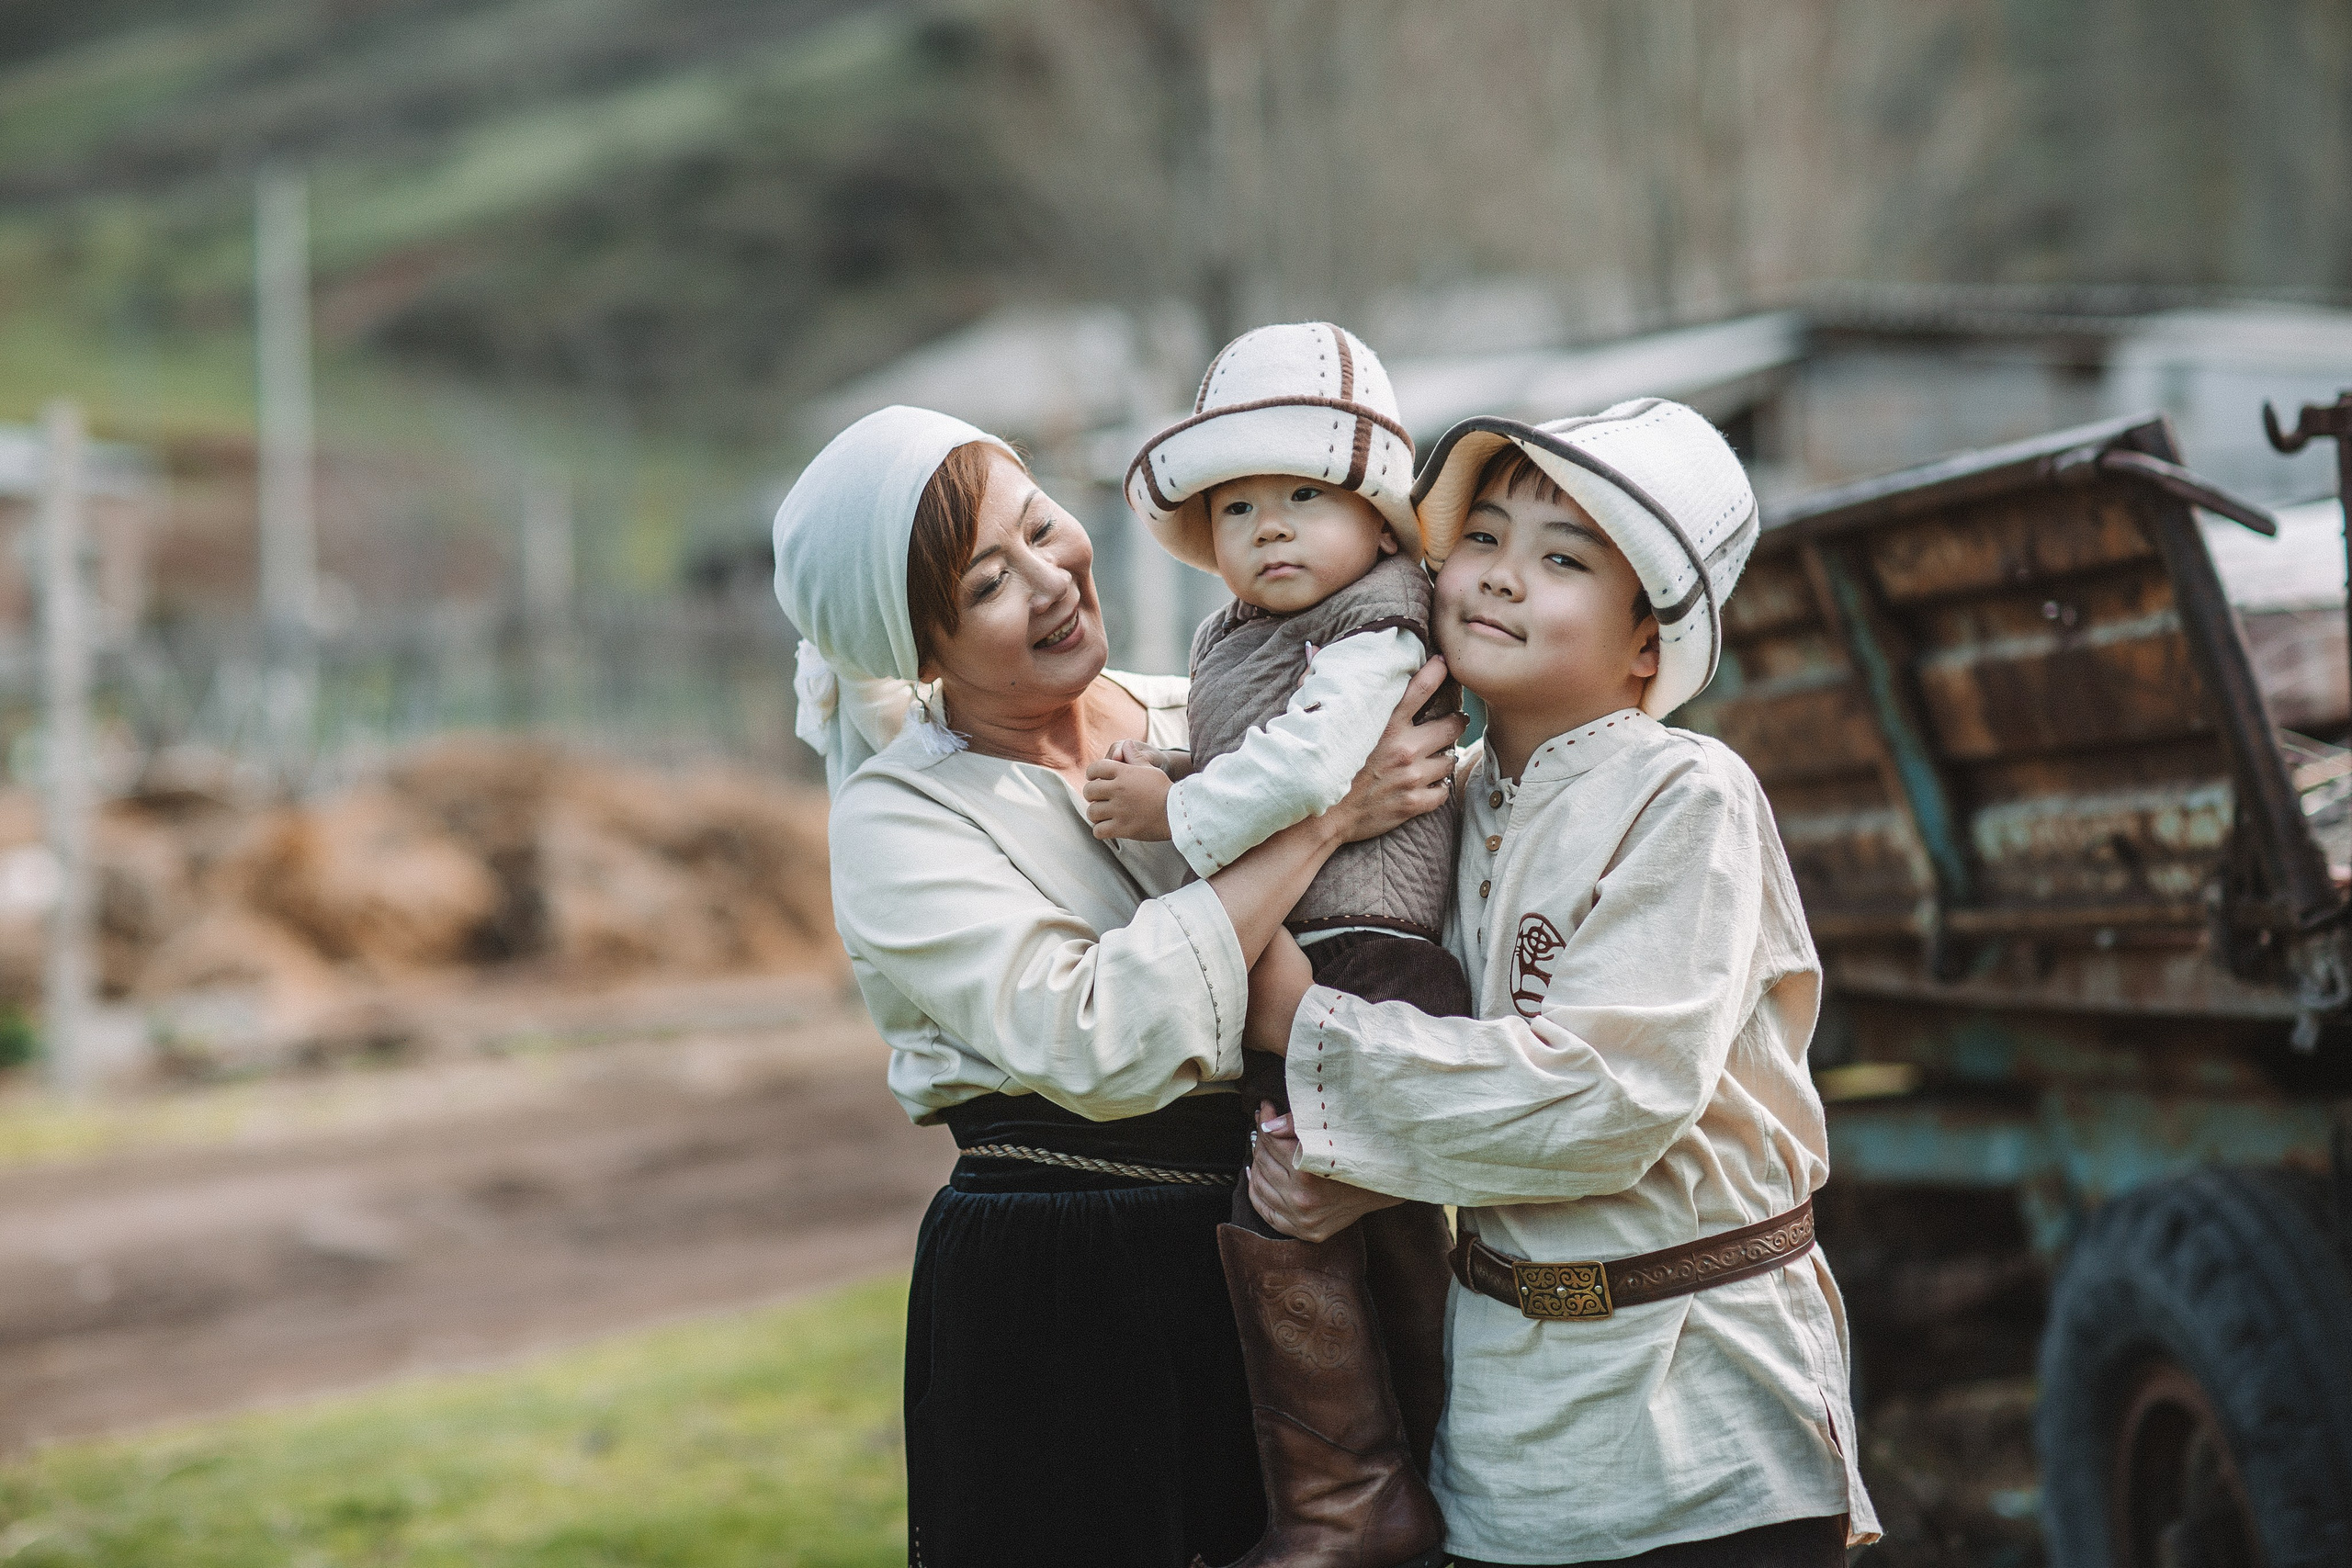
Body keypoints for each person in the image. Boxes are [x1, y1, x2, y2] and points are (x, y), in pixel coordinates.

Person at [771, 404, 1464, 1568]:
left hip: (1291, 1230)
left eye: (1042, 528)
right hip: (1067, 1283)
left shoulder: (1199, 704)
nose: (1050, 581)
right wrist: (1324, 816)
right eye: (990, 583)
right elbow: (1097, 1034)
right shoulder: (901, 817)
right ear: (920, 650)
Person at [1242, 400, 1881, 1568]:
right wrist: (1355, 1173)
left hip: (1700, 1420)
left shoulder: (1686, 795)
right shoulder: (1441, 800)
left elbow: (1605, 1099)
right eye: (1482, 538)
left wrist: (1304, 1028)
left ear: (1647, 646)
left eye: (1563, 560)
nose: (1500, 575)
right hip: (1508, 1440)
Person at [1088, 321, 1466, 1568]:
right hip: (1304, 948)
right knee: (1311, 1211)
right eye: (1238, 507)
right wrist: (1176, 762)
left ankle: (1375, 1486)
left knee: (1323, 1207)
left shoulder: (1379, 627)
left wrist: (1172, 808)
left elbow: (1308, 763)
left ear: (1379, 516)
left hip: (1367, 953)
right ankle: (1364, 1481)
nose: (1270, 529)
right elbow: (1259, 747)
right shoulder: (1234, 634)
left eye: (1305, 496)